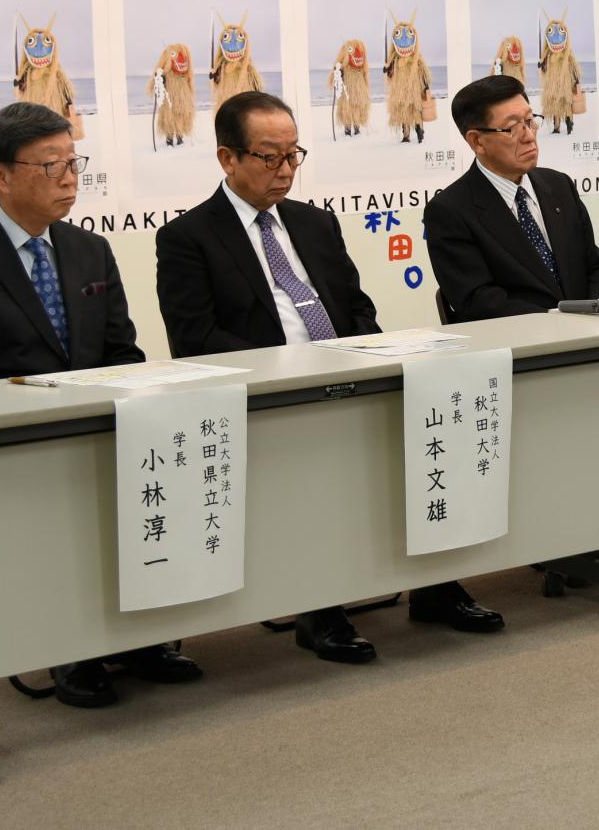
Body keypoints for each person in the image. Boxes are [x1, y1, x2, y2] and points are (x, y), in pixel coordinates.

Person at [155, 91, 504, 661]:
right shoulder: (188, 238)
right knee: (317, 463)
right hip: (274, 397)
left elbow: (356, 305)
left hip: (349, 377)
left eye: (294, 154)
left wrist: (364, 353)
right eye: (270, 157)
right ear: (227, 159)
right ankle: (319, 609)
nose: (285, 169)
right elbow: (196, 340)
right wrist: (292, 370)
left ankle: (436, 586)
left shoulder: (314, 223)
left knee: (436, 428)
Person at [0, 102, 201, 708]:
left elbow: (121, 352)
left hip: (98, 429)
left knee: (160, 473)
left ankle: (139, 635)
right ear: (0, 174)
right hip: (12, 441)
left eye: (74, 163)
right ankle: (71, 646)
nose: (70, 179)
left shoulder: (89, 249)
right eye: (51, 166)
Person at [426, 75, 599, 322]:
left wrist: (595, 313)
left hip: (590, 333)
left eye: (529, 121)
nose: (528, 136)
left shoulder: (559, 186)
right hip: (519, 342)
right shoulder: (450, 211)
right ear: (477, 141)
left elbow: (597, 268)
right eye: (512, 128)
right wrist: (558, 323)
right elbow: (478, 300)